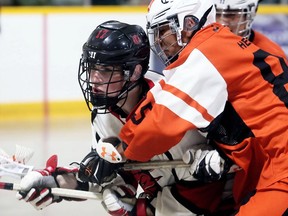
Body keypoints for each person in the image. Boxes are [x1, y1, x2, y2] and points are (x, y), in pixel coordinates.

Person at [88, 0, 288, 215]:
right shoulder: (219, 45)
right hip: (268, 167)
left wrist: (119, 152)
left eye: (164, 31)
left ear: (189, 23)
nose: (160, 42)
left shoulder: (205, 54)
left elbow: (160, 125)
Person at [16, 20, 233, 215]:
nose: (94, 80)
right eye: (92, 69)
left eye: (106, 70)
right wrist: (56, 183)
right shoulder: (103, 115)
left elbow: (211, 181)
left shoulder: (174, 102)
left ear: (135, 72)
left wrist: (142, 211)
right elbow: (108, 174)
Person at [214, 0, 287, 59]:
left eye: (230, 14)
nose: (221, 22)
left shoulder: (273, 56)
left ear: (252, 12)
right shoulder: (202, 46)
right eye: (214, 13)